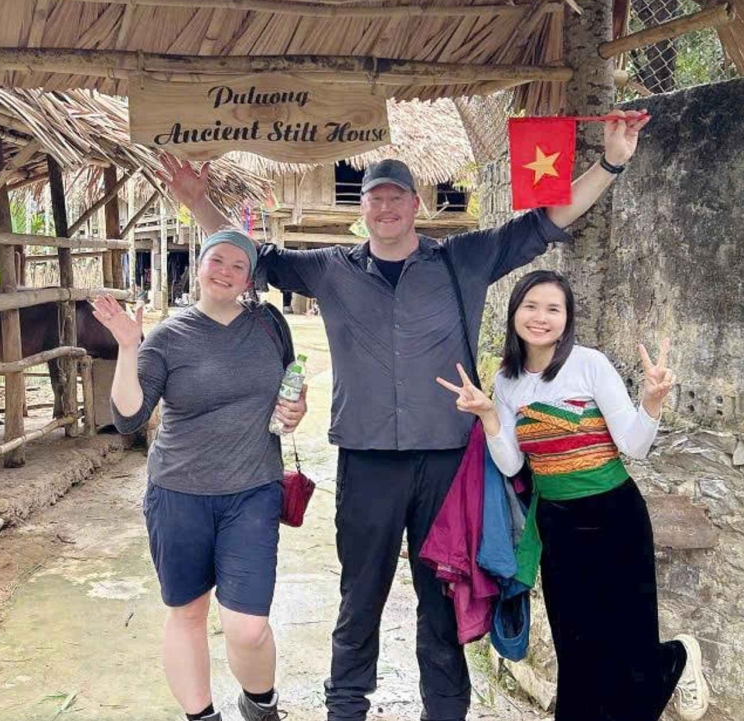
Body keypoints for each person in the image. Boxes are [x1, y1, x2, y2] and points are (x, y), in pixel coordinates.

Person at [158, 111, 647, 721]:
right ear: (363, 208)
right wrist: (201, 206)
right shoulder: (331, 269)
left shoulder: (462, 260)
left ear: (416, 204)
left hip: (448, 462)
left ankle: (443, 712)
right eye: (374, 198)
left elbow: (547, 222)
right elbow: (248, 258)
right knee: (358, 599)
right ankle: (346, 710)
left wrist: (612, 161)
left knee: (440, 601)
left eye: (396, 197)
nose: (385, 207)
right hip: (366, 463)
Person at [438, 269, 710, 720]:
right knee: (578, 653)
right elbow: (510, 464)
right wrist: (488, 414)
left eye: (553, 309)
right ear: (514, 313)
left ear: (567, 319)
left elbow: (634, 445)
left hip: (616, 516)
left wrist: (652, 403)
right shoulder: (507, 382)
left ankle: (677, 657)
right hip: (559, 526)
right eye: (531, 306)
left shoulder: (589, 364)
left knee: (629, 647)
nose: (540, 317)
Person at [93, 229, 308, 721]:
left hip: (253, 490)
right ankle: (201, 715)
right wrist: (130, 346)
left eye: (238, 264)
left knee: (248, 626)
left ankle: (261, 705)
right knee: (188, 613)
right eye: (217, 260)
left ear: (250, 277)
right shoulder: (169, 336)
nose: (226, 271)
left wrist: (296, 407)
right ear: (200, 265)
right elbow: (128, 417)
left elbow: (289, 382)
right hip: (178, 493)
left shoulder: (271, 323)